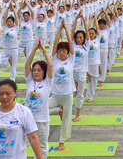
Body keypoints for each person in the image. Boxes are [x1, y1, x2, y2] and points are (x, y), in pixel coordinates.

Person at [0, 79, 43, 158]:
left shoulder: (24, 112)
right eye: (1, 94)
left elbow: (33, 138)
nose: (4, 97)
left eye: (8, 93)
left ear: (15, 93)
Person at [25, 38, 53, 159]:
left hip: (42, 120)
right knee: (22, 144)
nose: (36, 72)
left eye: (39, 70)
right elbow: (27, 64)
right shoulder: (30, 81)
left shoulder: (47, 82)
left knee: (42, 147)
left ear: (44, 72)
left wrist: (44, 49)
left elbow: (50, 65)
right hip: (28, 119)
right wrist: (35, 49)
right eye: (34, 70)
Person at [48, 20, 75, 152]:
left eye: (64, 51)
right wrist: (59, 29)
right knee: (40, 108)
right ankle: (57, 109)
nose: (62, 53)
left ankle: (61, 142)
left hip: (68, 93)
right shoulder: (54, 59)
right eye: (60, 51)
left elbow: (70, 43)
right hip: (55, 93)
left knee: (66, 119)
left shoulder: (71, 59)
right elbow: (54, 43)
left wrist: (67, 30)